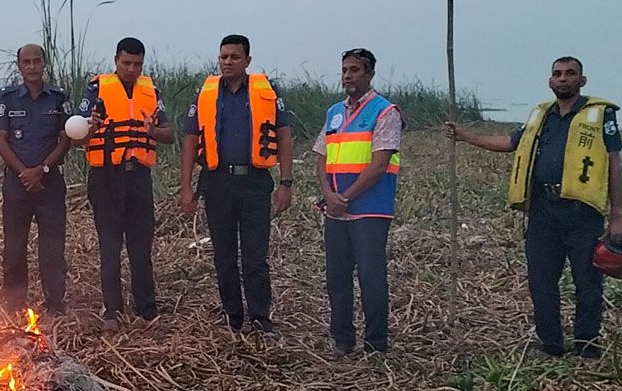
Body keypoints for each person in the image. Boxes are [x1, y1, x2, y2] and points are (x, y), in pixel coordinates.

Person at [447, 56, 622, 358]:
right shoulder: (540, 115)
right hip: (543, 209)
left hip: (582, 212)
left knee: (588, 282)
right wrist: (465, 136)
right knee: (541, 281)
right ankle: (551, 344)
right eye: (557, 74)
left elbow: (613, 164)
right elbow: (510, 142)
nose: (563, 78)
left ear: (582, 81)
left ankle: (587, 346)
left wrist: (617, 217)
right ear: (550, 81)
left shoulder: (600, 115)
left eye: (570, 74)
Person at [179, 34, 294, 334]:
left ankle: (260, 317)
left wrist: (286, 182)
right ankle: (233, 316)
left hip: (255, 184)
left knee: (255, 257)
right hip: (218, 184)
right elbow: (190, 140)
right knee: (224, 256)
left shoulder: (266, 91)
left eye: (234, 57)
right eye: (223, 57)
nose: (227, 62)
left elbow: (283, 135)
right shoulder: (206, 93)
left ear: (248, 61)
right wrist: (187, 187)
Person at [76, 37, 174, 331]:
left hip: (139, 177)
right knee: (109, 246)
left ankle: (146, 308)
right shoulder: (96, 91)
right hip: (106, 176)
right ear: (116, 61)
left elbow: (169, 134)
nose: (131, 69)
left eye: (137, 64)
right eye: (126, 63)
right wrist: (89, 126)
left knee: (141, 246)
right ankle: (111, 310)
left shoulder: (151, 92)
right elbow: (75, 136)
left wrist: (152, 130)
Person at [312, 48, 404, 354]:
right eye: (344, 70)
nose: (347, 76)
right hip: (336, 211)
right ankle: (342, 339)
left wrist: (346, 197)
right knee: (337, 278)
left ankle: (376, 343)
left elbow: (379, 164)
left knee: (370, 278)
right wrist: (328, 195)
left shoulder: (385, 112)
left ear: (369, 74)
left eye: (354, 70)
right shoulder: (334, 112)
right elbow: (321, 156)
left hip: (370, 210)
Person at [0, 43, 72, 315]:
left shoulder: (58, 98)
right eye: (27, 62)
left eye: (37, 61)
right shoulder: (8, 99)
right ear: (19, 66)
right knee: (14, 247)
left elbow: (66, 138)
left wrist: (42, 170)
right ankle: (15, 304)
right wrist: (24, 172)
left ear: (44, 64)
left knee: (52, 248)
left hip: (49, 183)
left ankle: (55, 304)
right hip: (17, 184)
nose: (32, 67)